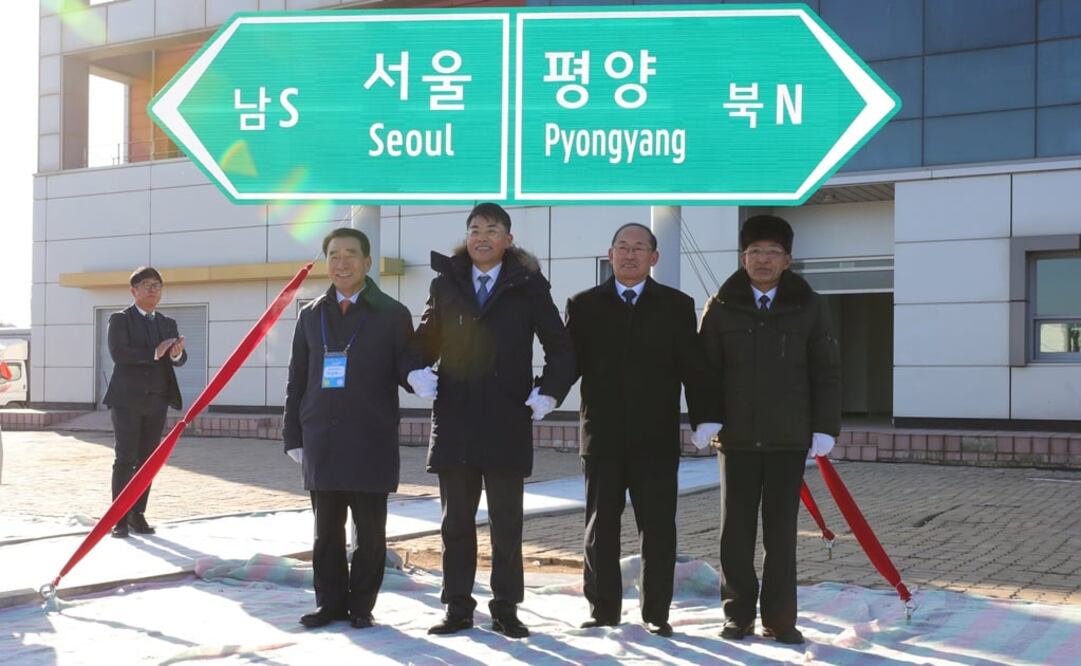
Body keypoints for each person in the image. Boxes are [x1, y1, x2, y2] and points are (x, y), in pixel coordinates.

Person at [412, 202, 575, 639]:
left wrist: (549, 391)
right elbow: (426, 340)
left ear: (508, 239)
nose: (481, 236)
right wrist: (414, 372)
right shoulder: (446, 283)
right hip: (457, 419)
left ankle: (506, 608)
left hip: (506, 419)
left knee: (507, 525)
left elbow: (561, 347)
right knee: (456, 525)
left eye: (491, 229)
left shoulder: (528, 286)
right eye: (474, 229)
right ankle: (457, 607)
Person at [565, 223, 721, 637]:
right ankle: (603, 609)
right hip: (602, 437)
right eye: (622, 247)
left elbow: (695, 368)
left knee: (658, 529)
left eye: (639, 248)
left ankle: (656, 612)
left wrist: (705, 416)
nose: (630, 255)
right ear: (610, 254)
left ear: (654, 258)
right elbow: (567, 364)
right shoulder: (583, 305)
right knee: (601, 527)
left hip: (655, 438)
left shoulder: (676, 305)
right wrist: (542, 395)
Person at [699, 214, 841, 645]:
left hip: (786, 439)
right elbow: (705, 370)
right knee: (735, 532)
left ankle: (780, 619)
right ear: (743, 257)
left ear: (788, 260)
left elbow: (827, 371)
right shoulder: (721, 306)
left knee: (781, 535)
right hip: (737, 440)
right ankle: (736, 615)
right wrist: (705, 417)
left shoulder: (810, 306)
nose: (763, 259)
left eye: (772, 252)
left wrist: (824, 427)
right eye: (755, 251)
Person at [283, 228, 422, 630]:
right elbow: (298, 379)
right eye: (333, 255)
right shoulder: (310, 314)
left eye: (350, 255)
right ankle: (329, 604)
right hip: (321, 437)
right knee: (326, 531)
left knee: (370, 532)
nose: (341, 263)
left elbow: (405, 366)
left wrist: (421, 377)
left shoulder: (392, 314)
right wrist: (293, 435)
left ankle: (361, 605)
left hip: (370, 438)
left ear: (367, 262)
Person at [103, 267, 186, 539]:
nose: (154, 289)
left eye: (158, 285)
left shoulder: (167, 322)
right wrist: (154, 352)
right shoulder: (120, 319)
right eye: (148, 284)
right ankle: (119, 518)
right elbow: (119, 353)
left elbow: (179, 360)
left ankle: (138, 514)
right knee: (125, 458)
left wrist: (175, 353)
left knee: (148, 461)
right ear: (133, 290)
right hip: (127, 400)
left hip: (158, 399)